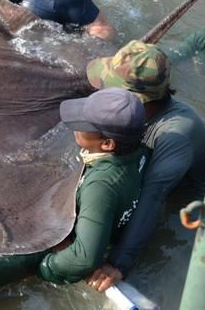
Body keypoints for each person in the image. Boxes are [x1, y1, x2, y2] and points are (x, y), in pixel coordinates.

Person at [83, 40, 205, 292]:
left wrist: (119, 263)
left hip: (187, 206)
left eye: (110, 89)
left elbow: (153, 198)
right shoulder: (139, 114)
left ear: (137, 99)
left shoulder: (176, 135)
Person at [38, 87, 147, 285]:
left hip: (78, 243)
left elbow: (84, 258)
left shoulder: (100, 185)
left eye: (83, 125)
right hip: (109, 218)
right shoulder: (141, 150)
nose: (76, 127)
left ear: (107, 144)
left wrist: (47, 266)